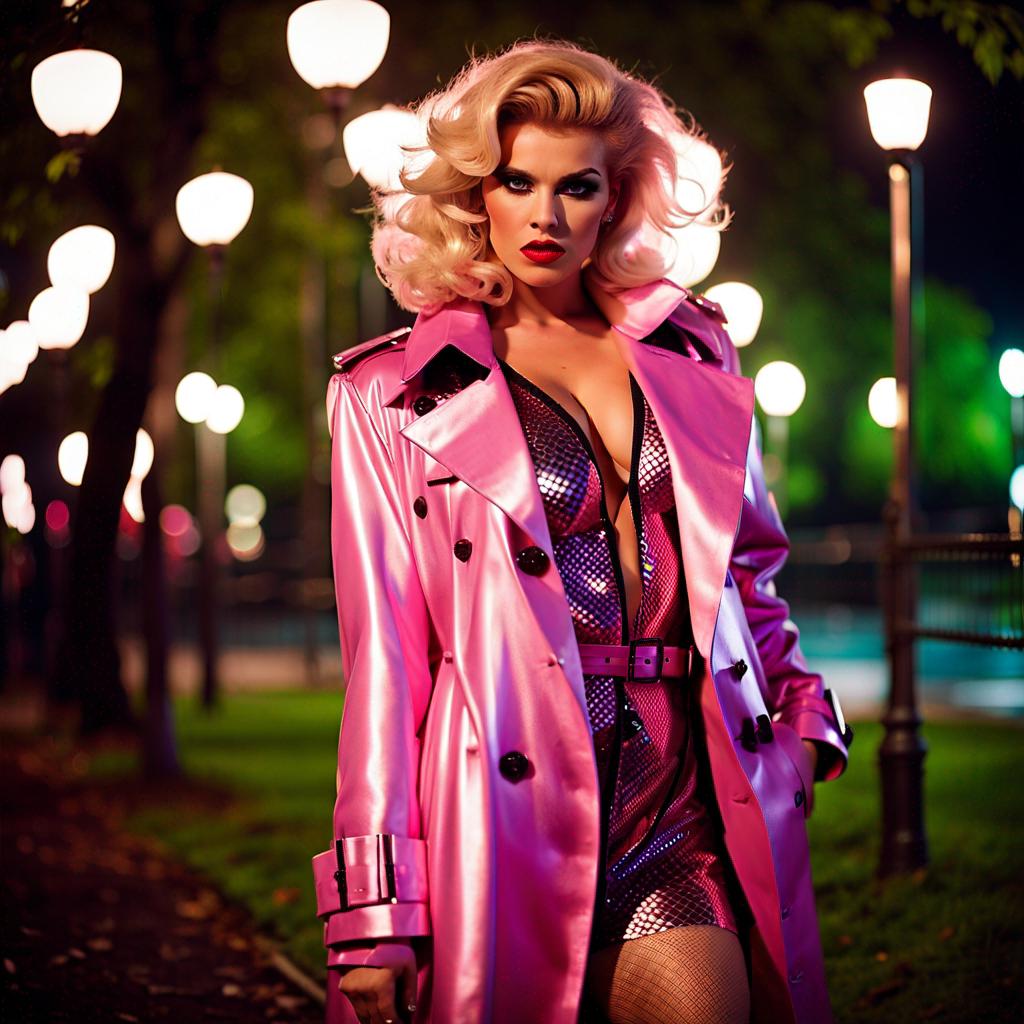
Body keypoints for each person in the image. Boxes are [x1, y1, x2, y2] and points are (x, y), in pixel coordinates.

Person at [311, 38, 852, 1024]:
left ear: (619, 197)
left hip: (678, 814)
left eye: (579, 185)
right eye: (518, 180)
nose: (545, 214)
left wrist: (803, 728)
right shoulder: (387, 392)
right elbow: (387, 665)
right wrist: (374, 911)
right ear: (478, 191)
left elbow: (750, 576)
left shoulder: (692, 354)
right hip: (499, 823)